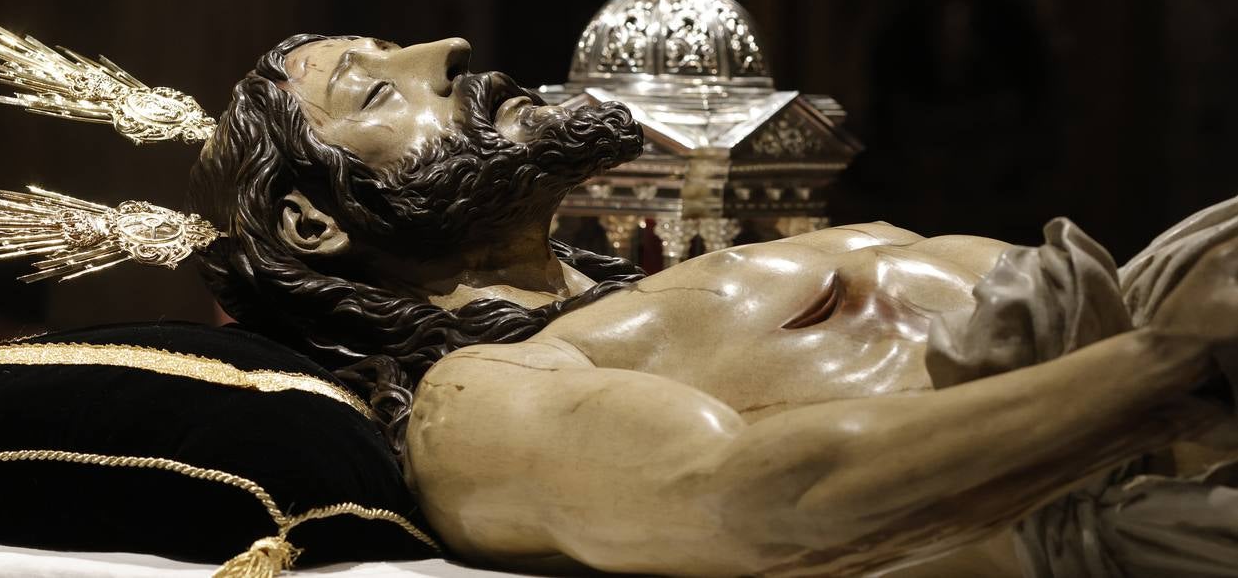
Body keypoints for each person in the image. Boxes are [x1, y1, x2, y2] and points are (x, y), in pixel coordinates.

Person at [187, 33, 1238, 577]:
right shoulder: (482, 398)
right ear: (315, 225)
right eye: (375, 90)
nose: (448, 54)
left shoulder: (717, 272)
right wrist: (1158, 378)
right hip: (1118, 486)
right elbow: (748, 503)